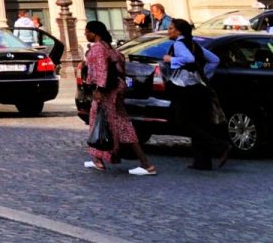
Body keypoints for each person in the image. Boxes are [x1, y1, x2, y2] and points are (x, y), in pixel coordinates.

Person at [81, 20, 156, 175]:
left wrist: (99, 89)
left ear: (94, 33)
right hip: (114, 90)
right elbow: (119, 65)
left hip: (106, 93)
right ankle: (98, 158)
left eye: (87, 31)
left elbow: (102, 70)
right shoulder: (108, 47)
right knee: (102, 123)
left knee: (111, 124)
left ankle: (146, 164)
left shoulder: (98, 49)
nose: (85, 34)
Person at [163, 19, 228, 170]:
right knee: (198, 122)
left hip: (185, 88)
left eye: (171, 28)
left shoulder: (178, 44)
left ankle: (220, 146)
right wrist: (203, 75)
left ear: (178, 31)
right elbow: (214, 60)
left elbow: (189, 59)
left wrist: (170, 59)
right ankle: (202, 161)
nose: (168, 30)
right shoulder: (193, 44)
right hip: (198, 87)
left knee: (183, 121)